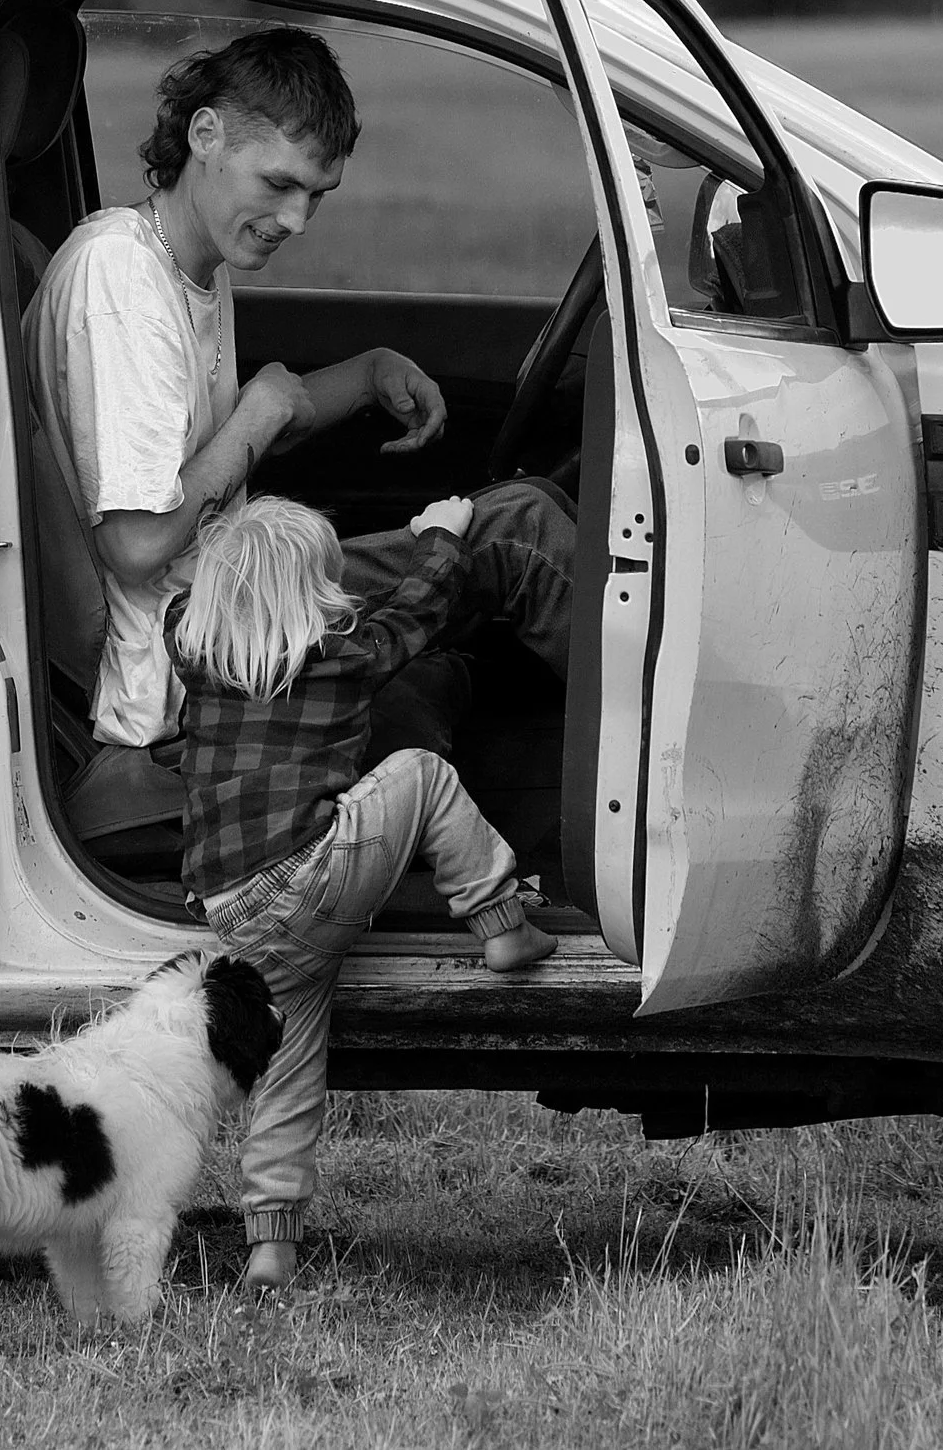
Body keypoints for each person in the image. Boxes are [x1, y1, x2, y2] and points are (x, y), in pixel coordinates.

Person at [25, 26, 573, 828]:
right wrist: (253, 418)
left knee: (508, 518)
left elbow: (237, 427)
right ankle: (674, 767)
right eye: (279, 183)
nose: (298, 219)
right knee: (515, 532)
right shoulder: (121, 283)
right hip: (188, 658)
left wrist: (369, 371)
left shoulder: (186, 263)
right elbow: (137, 543)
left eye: (316, 195)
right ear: (205, 134)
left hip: (224, 608)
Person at [171, 493, 558, 1290]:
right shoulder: (344, 654)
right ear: (316, 598)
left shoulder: (192, 643)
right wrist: (442, 537)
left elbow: (187, 600)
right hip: (307, 882)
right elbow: (419, 611)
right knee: (420, 772)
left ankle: (270, 1242)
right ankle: (501, 918)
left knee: (287, 1069)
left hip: (233, 914)